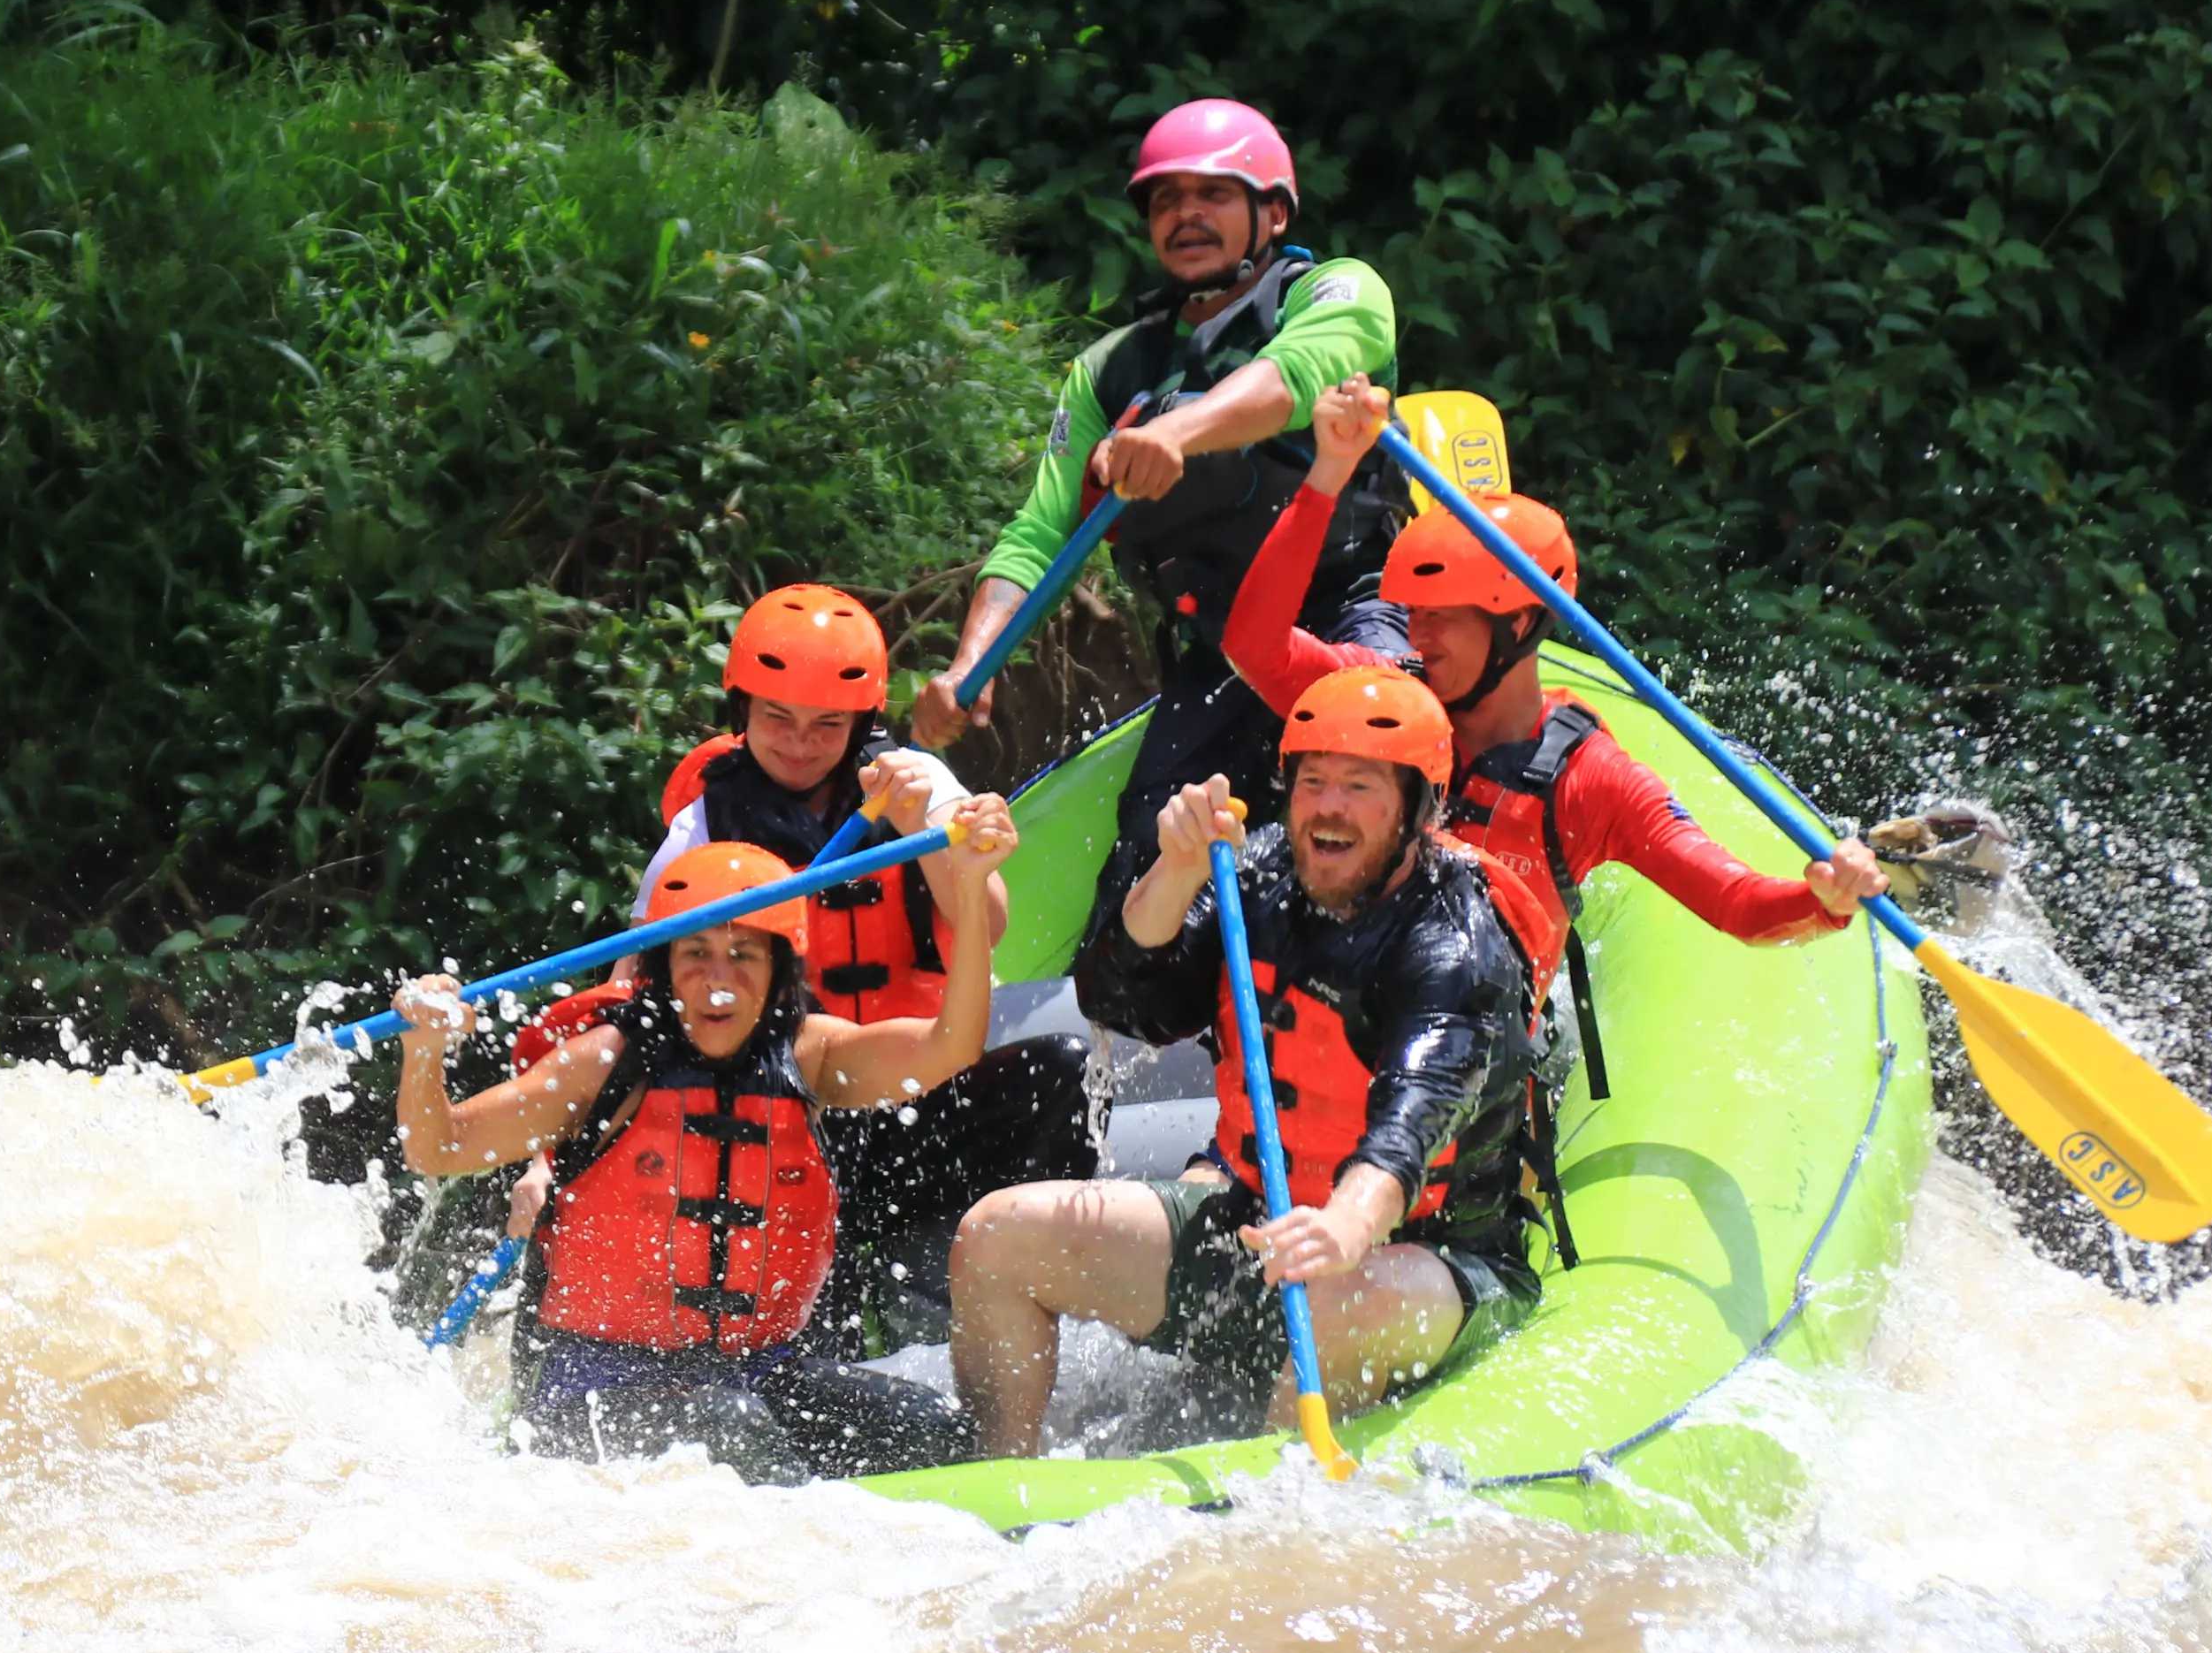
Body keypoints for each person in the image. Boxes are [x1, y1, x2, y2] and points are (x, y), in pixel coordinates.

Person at [1224, 379, 1892, 1115]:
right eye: (1414, 615)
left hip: (1453, 1091)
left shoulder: (1590, 780)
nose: (1418, 636)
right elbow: (1253, 646)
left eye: (1443, 618)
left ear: (1517, 625)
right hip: (1313, 1045)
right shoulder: (1380, 699)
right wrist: (1327, 473)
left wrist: (1823, 900)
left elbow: (1737, 903)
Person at [945, 669, 1538, 1459]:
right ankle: (1001, 1480)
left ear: (1418, 809)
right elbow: (1121, 1005)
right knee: (996, 1239)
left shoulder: (1454, 943)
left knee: (1336, 1303)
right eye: (1313, 782)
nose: (1328, 807)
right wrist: (1176, 869)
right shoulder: (1255, 875)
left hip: (1423, 1259)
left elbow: (1416, 1117)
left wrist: (1346, 1226)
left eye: (1360, 786)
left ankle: (1270, 1509)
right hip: (1256, 1223)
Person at [908, 99, 1414, 917]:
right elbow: (1040, 534)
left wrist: (1178, 431)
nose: (1186, 214)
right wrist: (972, 665)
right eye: (1167, 199)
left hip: (1349, 613)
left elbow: (1297, 375)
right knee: (1143, 883)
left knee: (1370, 796)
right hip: (1218, 655)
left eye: (1213, 194)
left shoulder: (1337, 290)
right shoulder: (1109, 372)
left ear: (1274, 212)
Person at [393, 827, 1016, 1484]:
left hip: (756, 1370)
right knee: (736, 1429)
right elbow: (438, 1148)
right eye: (696, 953)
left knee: (931, 1429)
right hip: (592, 1383)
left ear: (778, 970)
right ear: (663, 966)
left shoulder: (812, 1055)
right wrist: (424, 1049)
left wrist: (972, 887)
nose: (719, 981)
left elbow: (952, 1045)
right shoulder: (605, 1062)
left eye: (744, 955)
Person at [647, 584, 1096, 1348]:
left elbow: (987, 921)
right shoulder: (702, 826)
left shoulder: (915, 785)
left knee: (1060, 1068)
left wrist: (932, 835)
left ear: (861, 723)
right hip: (792, 1113)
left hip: (919, 1084)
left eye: (827, 724)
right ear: (742, 713)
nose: (801, 743)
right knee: (824, 1347)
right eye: (778, 719)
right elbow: (638, 983)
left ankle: (1005, 1285)